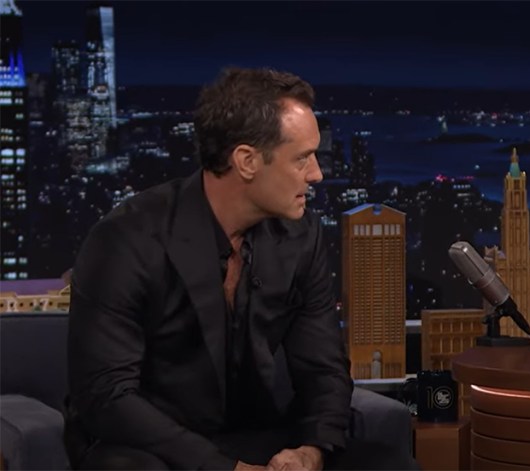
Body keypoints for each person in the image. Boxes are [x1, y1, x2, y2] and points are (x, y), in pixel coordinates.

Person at [65, 67, 405, 470]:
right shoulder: (128, 238)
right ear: (246, 161)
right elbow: (107, 396)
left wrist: (310, 450)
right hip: (149, 446)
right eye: (302, 159)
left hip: (255, 437)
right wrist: (224, 469)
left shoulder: (301, 235)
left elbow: (323, 369)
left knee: (390, 465)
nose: (317, 174)